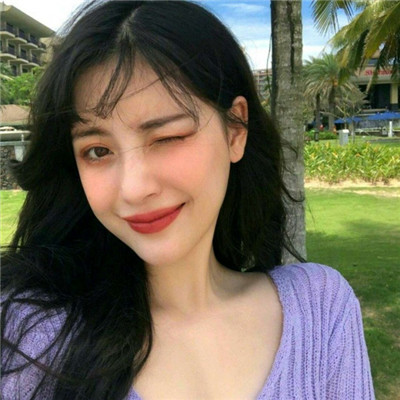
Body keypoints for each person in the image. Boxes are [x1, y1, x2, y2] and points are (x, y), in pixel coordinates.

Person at [1, 1, 374, 399]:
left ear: (235, 130)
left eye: (167, 138)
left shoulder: (320, 308)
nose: (133, 188)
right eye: (98, 151)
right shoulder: (30, 336)